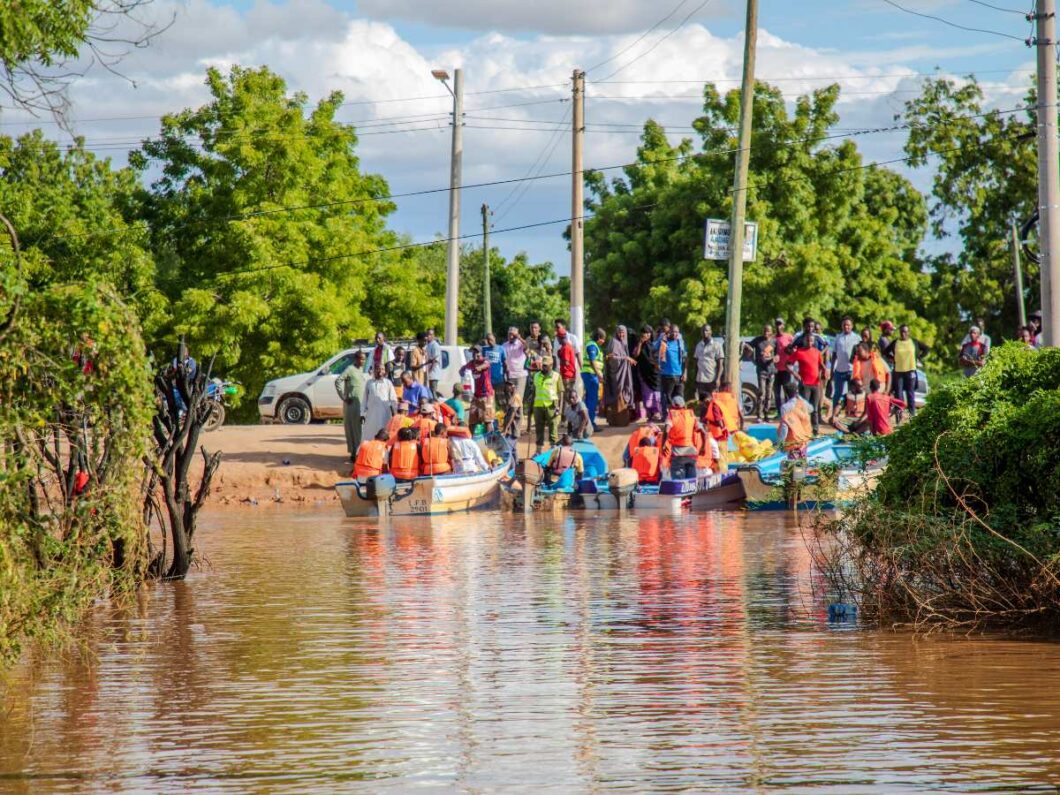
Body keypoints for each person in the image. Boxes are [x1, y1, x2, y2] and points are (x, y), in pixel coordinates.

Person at [882, 324, 928, 417]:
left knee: (910, 394)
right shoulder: (895, 342)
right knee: (899, 395)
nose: (903, 333)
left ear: (908, 332)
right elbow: (885, 352)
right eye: (902, 331)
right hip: (898, 372)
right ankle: (899, 415)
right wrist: (892, 358)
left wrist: (918, 357)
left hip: (910, 371)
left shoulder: (914, 342)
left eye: (905, 331)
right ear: (899, 332)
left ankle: (912, 415)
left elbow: (926, 349)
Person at [840, 379, 906, 436]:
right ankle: (853, 434)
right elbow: (903, 404)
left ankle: (853, 435)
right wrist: (894, 411)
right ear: (879, 387)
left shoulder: (870, 397)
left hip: (877, 431)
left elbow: (869, 418)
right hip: (888, 430)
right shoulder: (886, 397)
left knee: (866, 423)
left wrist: (872, 432)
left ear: (870, 387)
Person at [335, 350, 369, 461]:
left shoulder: (361, 370)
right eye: (361, 359)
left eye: (364, 359)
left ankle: (359, 452)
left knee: (360, 428)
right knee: (353, 429)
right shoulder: (350, 369)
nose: (363, 361)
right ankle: (354, 453)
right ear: (356, 359)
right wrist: (344, 397)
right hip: (352, 404)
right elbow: (338, 381)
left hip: (361, 404)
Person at [788, 334, 824, 434]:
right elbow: (788, 363)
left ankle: (815, 430)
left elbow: (821, 365)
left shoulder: (817, 352)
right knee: (804, 409)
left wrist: (824, 372)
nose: (809, 342)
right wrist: (794, 374)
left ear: (814, 342)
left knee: (815, 409)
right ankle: (804, 429)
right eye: (808, 340)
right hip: (804, 384)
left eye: (811, 341)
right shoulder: (799, 352)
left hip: (816, 384)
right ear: (804, 341)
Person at [829, 316, 860, 424]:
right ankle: (834, 415)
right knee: (837, 393)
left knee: (852, 394)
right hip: (839, 370)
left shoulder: (857, 338)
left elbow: (860, 354)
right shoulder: (838, 337)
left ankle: (851, 414)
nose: (846, 326)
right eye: (844, 325)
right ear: (842, 326)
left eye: (848, 325)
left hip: (852, 370)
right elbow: (834, 355)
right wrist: (832, 369)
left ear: (852, 326)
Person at [603, 325, 636, 426]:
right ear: (616, 333)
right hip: (616, 377)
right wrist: (626, 358)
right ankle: (614, 421)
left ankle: (622, 421)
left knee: (623, 397)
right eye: (619, 332)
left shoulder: (623, 343)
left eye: (623, 333)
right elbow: (612, 359)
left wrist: (626, 358)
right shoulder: (614, 342)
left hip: (624, 376)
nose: (621, 335)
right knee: (617, 397)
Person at [662, 395, 701, 479]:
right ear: (684, 406)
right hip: (692, 452)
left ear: (673, 406)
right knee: (691, 483)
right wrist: (703, 447)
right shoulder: (691, 415)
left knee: (679, 482)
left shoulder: (671, 415)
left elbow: (666, 430)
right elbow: (702, 431)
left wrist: (664, 444)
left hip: (678, 453)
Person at [743, 324, 776, 422]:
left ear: (771, 332)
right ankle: (759, 415)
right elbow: (747, 346)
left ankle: (766, 414)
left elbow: (777, 354)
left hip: (771, 370)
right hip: (761, 370)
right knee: (761, 393)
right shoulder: (758, 340)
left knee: (769, 394)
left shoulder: (774, 341)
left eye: (768, 331)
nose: (766, 333)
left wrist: (775, 358)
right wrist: (751, 355)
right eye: (765, 331)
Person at [532, 356, 563, 453]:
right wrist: (530, 406)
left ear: (551, 365)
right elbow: (534, 391)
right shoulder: (536, 375)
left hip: (552, 406)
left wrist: (560, 408)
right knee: (539, 428)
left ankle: (553, 450)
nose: (543, 367)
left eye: (546, 366)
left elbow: (561, 392)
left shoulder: (556, 376)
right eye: (543, 365)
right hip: (538, 406)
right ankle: (538, 450)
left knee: (553, 427)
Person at [460, 346, 495, 430]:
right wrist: (462, 370)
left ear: (481, 353)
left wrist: (479, 367)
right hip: (476, 395)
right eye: (473, 353)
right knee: (472, 420)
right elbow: (463, 368)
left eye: (477, 353)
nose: (475, 355)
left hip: (486, 395)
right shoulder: (472, 363)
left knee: (487, 420)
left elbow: (486, 365)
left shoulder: (485, 361)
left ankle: (490, 440)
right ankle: (470, 440)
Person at [777, 382, 814, 458]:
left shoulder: (785, 407)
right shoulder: (803, 403)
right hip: (804, 439)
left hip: (793, 441)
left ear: (786, 393)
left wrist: (781, 444)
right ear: (797, 392)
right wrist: (800, 397)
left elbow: (785, 427)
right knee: (802, 463)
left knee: (793, 466)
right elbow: (811, 409)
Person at [361, 364, 397, 443]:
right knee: (369, 434)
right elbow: (364, 400)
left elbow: (393, 400)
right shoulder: (369, 383)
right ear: (374, 370)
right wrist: (362, 414)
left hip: (385, 415)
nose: (380, 371)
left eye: (382, 369)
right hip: (371, 416)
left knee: (384, 433)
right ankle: (367, 451)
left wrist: (395, 414)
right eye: (378, 369)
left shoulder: (388, 383)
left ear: (385, 371)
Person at [657, 323, 687, 416]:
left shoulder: (680, 342)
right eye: (673, 332)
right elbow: (653, 351)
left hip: (679, 374)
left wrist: (685, 372)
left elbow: (685, 358)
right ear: (669, 332)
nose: (675, 334)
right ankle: (667, 417)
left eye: (677, 332)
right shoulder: (663, 342)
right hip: (666, 374)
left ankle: (679, 417)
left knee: (679, 397)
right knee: (667, 398)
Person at [632, 324, 661, 421]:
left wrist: (657, 365)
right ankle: (650, 413)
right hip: (644, 374)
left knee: (656, 393)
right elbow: (636, 355)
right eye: (644, 333)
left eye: (648, 333)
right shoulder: (639, 344)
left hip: (654, 374)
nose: (647, 335)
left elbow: (657, 358)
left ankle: (657, 412)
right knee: (647, 393)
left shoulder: (654, 344)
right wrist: (640, 342)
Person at [581, 328, 605, 432]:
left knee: (589, 400)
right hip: (591, 374)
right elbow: (592, 360)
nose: (603, 341)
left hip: (590, 374)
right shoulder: (592, 346)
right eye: (603, 339)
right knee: (592, 400)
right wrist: (599, 374)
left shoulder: (593, 345)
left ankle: (586, 422)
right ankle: (590, 424)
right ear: (599, 337)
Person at [694, 323, 725, 402]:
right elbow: (696, 364)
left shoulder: (717, 345)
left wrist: (718, 379)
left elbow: (720, 365)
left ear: (711, 332)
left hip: (712, 379)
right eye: (703, 331)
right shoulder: (698, 345)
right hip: (700, 379)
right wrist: (696, 379)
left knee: (712, 403)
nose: (705, 332)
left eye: (707, 330)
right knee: (702, 403)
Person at [772, 318, 794, 421]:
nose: (778, 326)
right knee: (776, 392)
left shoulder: (789, 337)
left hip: (786, 369)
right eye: (777, 324)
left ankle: (788, 412)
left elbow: (795, 350)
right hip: (776, 369)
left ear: (783, 325)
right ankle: (778, 412)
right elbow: (768, 352)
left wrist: (790, 352)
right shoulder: (772, 338)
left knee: (787, 391)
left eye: (780, 324)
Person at [502, 327, 528, 407]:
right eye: (509, 334)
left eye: (513, 334)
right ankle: (514, 419)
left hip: (520, 375)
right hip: (510, 376)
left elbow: (527, 346)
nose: (511, 336)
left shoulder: (520, 344)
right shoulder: (504, 345)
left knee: (517, 399)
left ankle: (519, 419)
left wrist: (519, 338)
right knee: (511, 401)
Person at [481, 333, 507, 406]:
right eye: (488, 340)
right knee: (489, 400)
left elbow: (505, 363)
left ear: (495, 339)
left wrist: (505, 376)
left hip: (499, 379)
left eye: (491, 339)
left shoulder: (501, 348)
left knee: (501, 400)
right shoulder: (484, 349)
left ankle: (505, 415)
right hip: (488, 380)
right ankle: (491, 415)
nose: (490, 341)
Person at [425, 328, 443, 398]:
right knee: (429, 392)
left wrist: (429, 371)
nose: (428, 336)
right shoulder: (428, 345)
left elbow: (434, 360)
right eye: (427, 334)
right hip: (429, 373)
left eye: (430, 334)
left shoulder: (435, 345)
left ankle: (436, 407)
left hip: (433, 373)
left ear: (433, 336)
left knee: (433, 392)